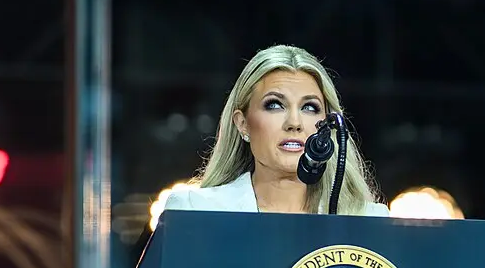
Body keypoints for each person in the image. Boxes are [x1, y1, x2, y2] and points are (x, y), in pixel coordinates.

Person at [162, 44, 389, 217]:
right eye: (274, 105)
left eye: (309, 107)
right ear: (242, 124)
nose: (294, 122)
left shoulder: (367, 219)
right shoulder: (196, 211)